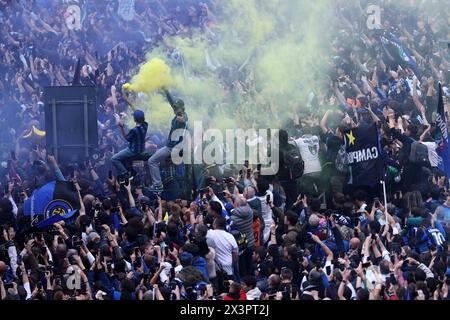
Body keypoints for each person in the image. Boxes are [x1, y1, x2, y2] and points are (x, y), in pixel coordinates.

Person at [148, 90, 188, 193]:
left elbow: (183, 120)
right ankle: (162, 183)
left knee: (152, 161)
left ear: (182, 108)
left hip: (172, 148)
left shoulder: (183, 115)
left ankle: (158, 185)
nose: (174, 109)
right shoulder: (177, 110)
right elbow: (172, 102)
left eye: (176, 108)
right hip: (170, 147)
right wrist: (165, 90)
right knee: (156, 162)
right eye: (174, 107)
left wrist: (180, 113)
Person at [111, 110, 148, 183]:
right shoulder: (145, 124)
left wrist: (120, 126)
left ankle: (126, 174)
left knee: (114, 159)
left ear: (135, 119)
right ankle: (130, 172)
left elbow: (126, 138)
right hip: (141, 149)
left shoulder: (134, 130)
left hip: (133, 150)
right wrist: (124, 118)